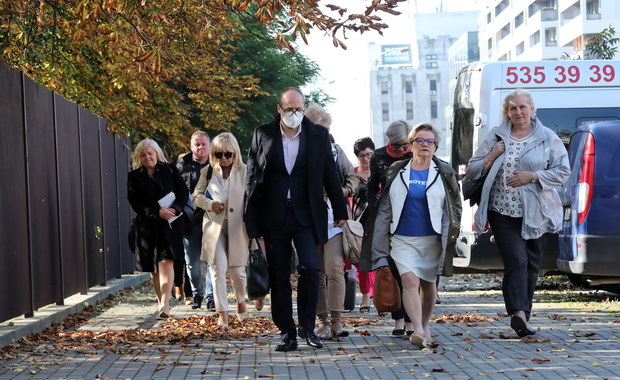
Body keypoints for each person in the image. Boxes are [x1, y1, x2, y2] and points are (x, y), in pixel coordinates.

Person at [244, 88, 348, 352]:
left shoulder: (317, 135)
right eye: (289, 109)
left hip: (307, 214)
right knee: (278, 274)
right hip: (274, 215)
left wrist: (340, 211)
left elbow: (330, 175)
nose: (294, 114)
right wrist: (251, 220)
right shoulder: (263, 134)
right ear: (279, 109)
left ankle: (307, 327)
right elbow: (252, 177)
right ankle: (286, 332)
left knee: (311, 269)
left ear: (304, 109)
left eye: (299, 109)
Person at [464, 89, 569, 337]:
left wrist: (533, 176)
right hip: (501, 211)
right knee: (517, 261)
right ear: (507, 112)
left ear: (532, 109)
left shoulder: (547, 137)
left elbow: (563, 172)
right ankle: (517, 313)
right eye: (513, 108)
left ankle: (524, 317)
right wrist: (493, 155)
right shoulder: (497, 135)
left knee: (532, 265)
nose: (518, 112)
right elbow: (473, 170)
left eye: (523, 107)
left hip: (537, 212)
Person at [370, 123, 461, 348]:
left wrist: (453, 231)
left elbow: (455, 204)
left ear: (435, 147)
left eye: (429, 141)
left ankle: (425, 324)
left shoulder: (445, 173)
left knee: (429, 285)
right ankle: (418, 329)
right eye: (419, 140)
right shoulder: (397, 171)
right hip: (402, 238)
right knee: (409, 281)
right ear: (410, 145)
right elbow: (386, 205)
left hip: (432, 238)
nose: (424, 145)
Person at [304, 103, 360, 340]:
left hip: (334, 221)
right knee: (316, 272)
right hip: (308, 220)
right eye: (322, 128)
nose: (326, 133)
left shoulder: (336, 150)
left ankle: (337, 320)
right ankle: (322, 322)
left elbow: (353, 177)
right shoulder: (300, 151)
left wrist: (344, 191)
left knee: (335, 268)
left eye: (327, 129)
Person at [361, 120, 414, 335]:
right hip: (388, 216)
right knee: (393, 269)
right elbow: (371, 187)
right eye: (397, 145)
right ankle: (399, 319)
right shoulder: (379, 156)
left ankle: (412, 320)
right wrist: (377, 206)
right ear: (389, 141)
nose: (402, 149)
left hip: (412, 215)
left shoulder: (415, 153)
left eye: (405, 145)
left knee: (410, 270)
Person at [193, 132, 249, 330]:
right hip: (214, 227)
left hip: (237, 227)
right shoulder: (208, 171)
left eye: (228, 154)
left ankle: (241, 300)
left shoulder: (245, 171)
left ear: (235, 153)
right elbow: (196, 196)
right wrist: (209, 204)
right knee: (217, 269)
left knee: (237, 271)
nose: (224, 159)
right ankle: (222, 314)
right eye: (219, 154)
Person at [127, 139, 188, 319]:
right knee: (154, 267)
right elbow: (135, 201)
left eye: (150, 153)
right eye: (143, 155)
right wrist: (156, 211)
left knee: (166, 261)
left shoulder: (169, 169)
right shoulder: (134, 176)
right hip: (148, 226)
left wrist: (175, 208)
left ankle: (165, 304)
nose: (148, 157)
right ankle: (162, 300)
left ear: (157, 153)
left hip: (170, 224)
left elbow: (183, 192)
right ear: (139, 157)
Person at [177, 131, 215, 310]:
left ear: (209, 146)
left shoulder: (217, 164)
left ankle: (210, 297)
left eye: (203, 144)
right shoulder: (181, 166)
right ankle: (197, 292)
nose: (200, 147)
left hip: (211, 219)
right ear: (191, 146)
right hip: (189, 221)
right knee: (192, 262)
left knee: (211, 260)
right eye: (197, 144)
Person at [351, 137, 376, 313]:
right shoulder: (352, 174)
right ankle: (365, 296)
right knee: (362, 264)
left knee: (379, 261)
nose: (366, 159)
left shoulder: (381, 171)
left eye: (369, 154)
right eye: (362, 156)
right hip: (358, 224)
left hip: (379, 222)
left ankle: (380, 296)